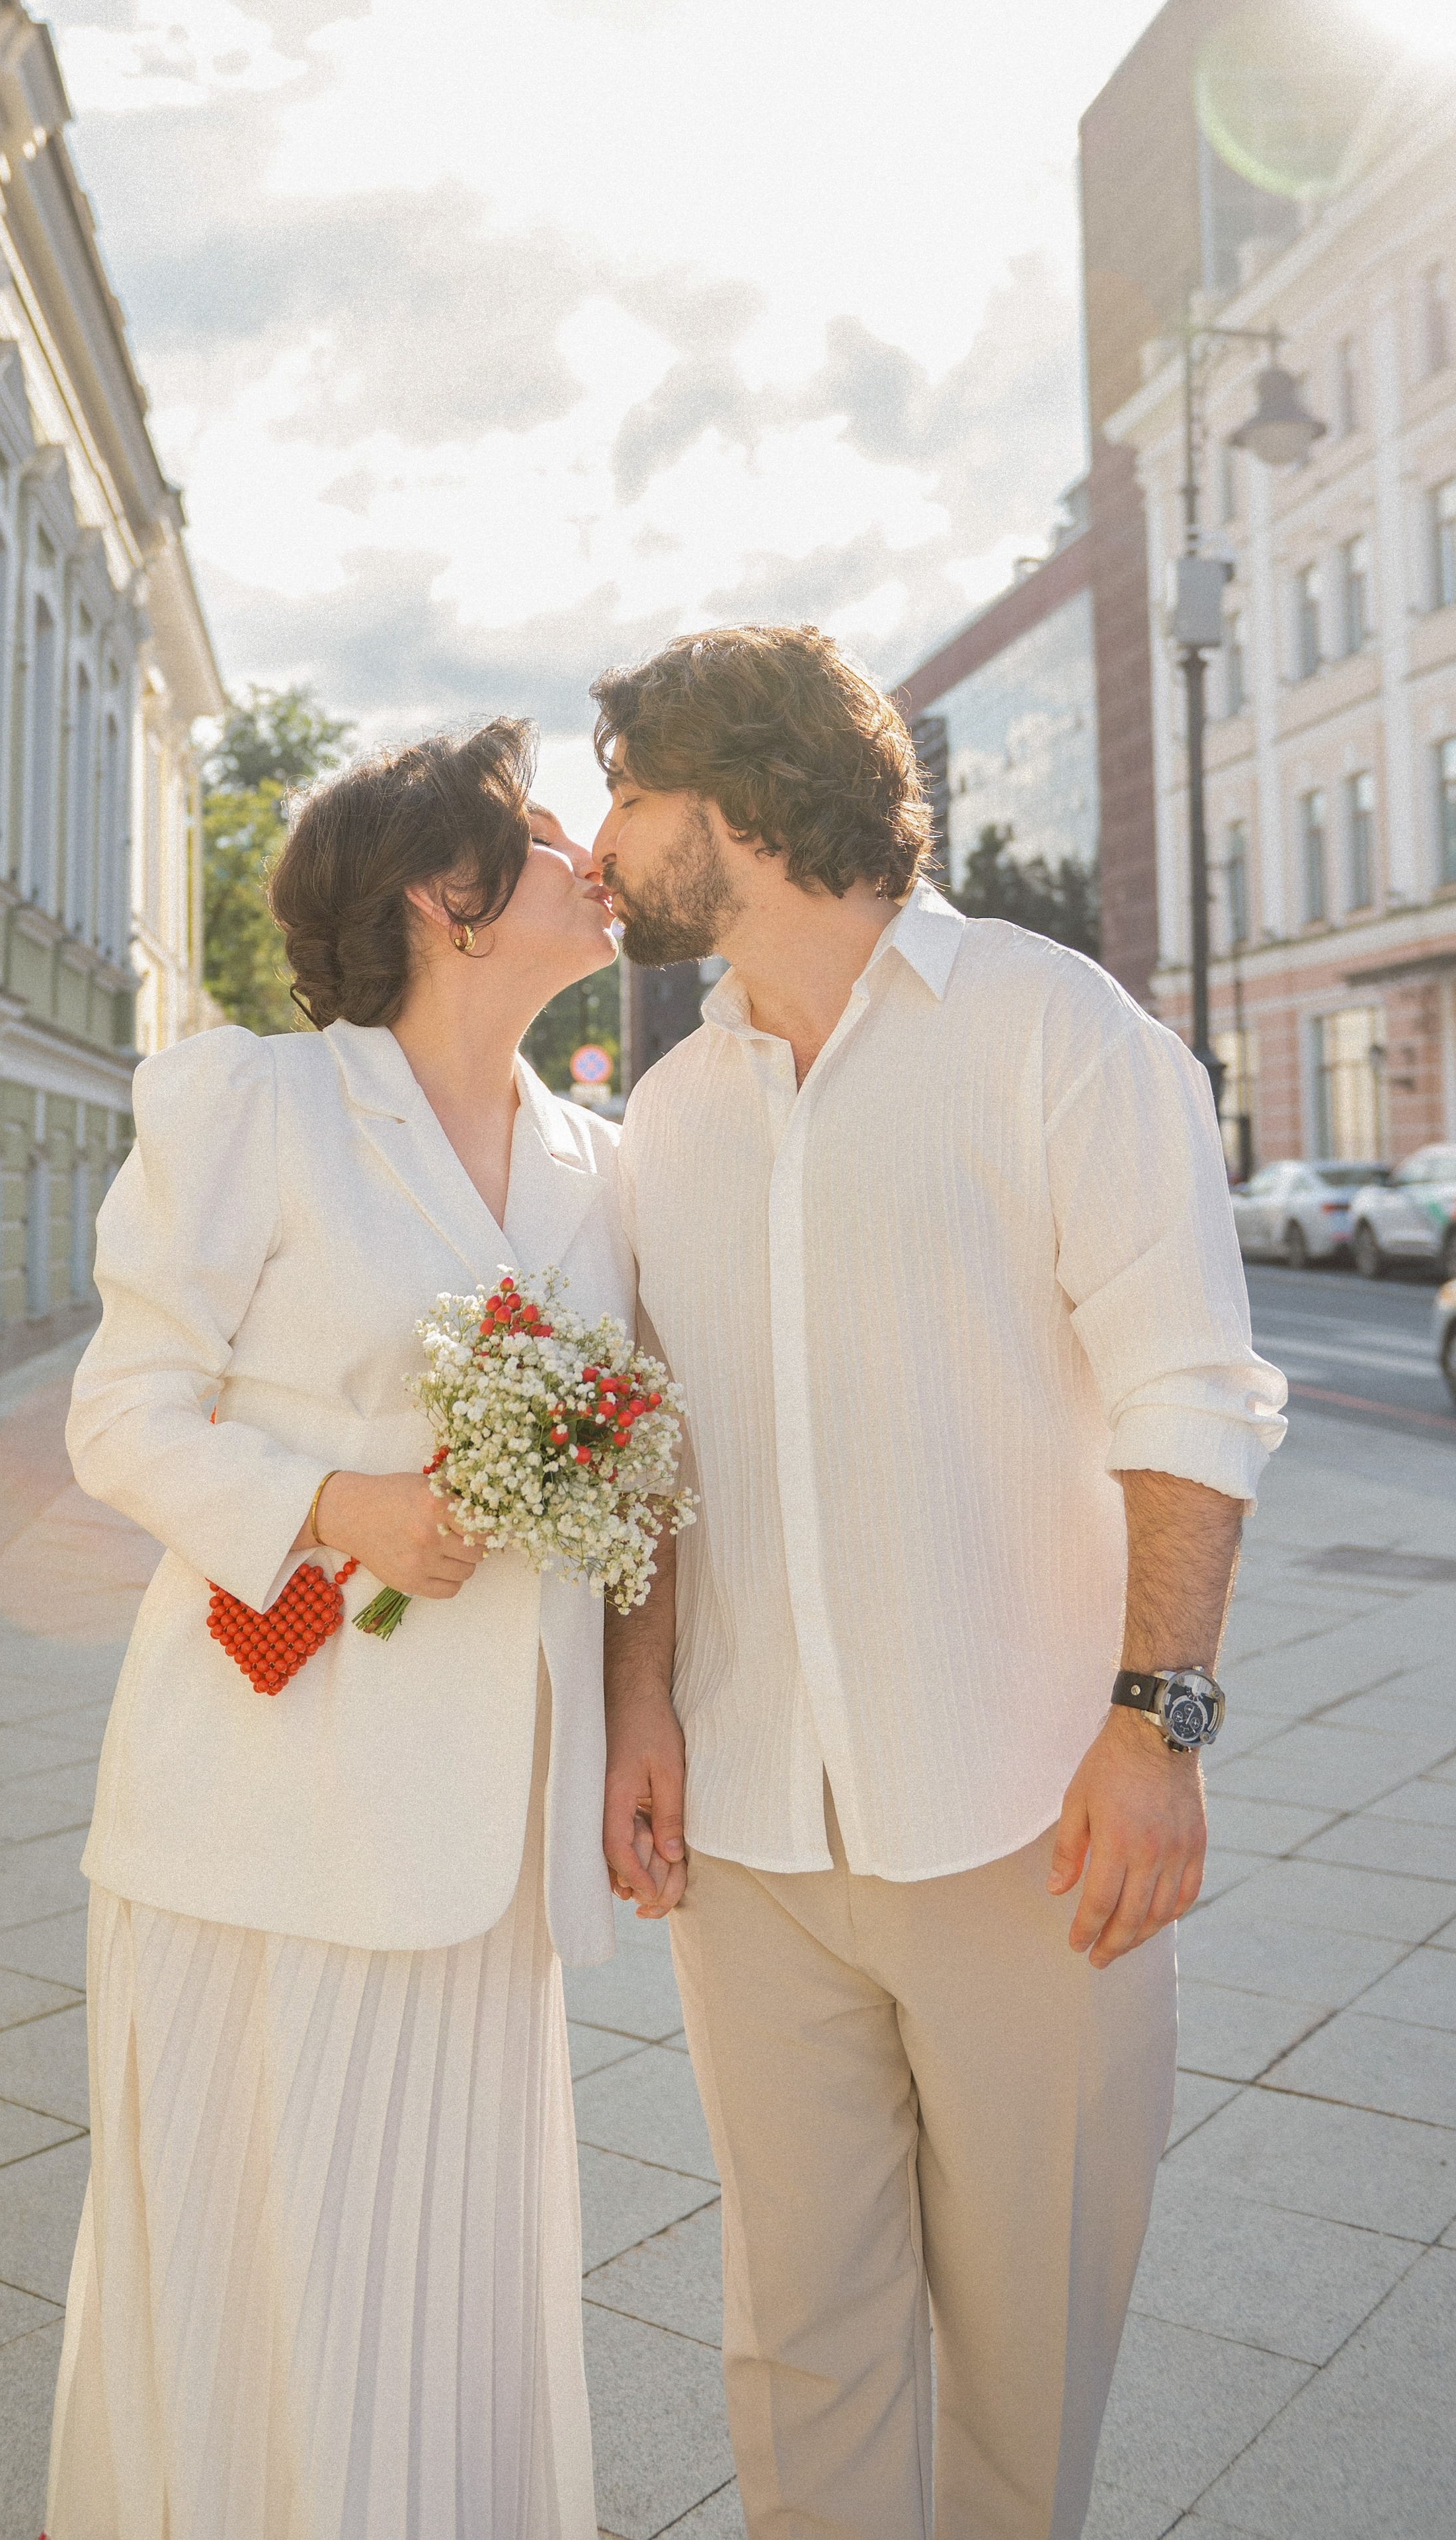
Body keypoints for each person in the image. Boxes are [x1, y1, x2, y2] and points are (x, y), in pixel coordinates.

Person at [592, 626, 1287, 2540]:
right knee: (795, 2342)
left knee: (1025, 2353)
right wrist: (640, 1699)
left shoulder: (1063, 1034)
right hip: (750, 1839)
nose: (606, 838)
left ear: (735, 801)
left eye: (631, 791)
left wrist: (1163, 1725)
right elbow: (657, 1441)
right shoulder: (671, 1116)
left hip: (1029, 1825)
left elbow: (1193, 1395)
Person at [46, 721, 627, 2540]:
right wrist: (343, 1506)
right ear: (444, 900)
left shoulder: (596, 1161)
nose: (583, 851)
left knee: (449, 2285)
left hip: (487, 1850)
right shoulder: (262, 1105)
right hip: (262, 1814)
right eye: (540, 835)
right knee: (258, 2275)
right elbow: (122, 1417)